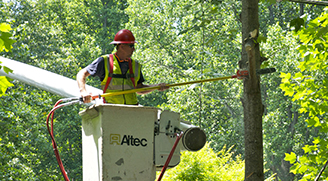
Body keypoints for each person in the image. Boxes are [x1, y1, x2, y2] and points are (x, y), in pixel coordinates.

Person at [77, 29, 169, 104]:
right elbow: (82, 74)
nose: (134, 49)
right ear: (121, 46)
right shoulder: (105, 61)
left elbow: (139, 89)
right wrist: (83, 92)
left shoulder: (135, 65)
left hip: (132, 111)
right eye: (131, 46)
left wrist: (156, 86)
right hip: (111, 111)